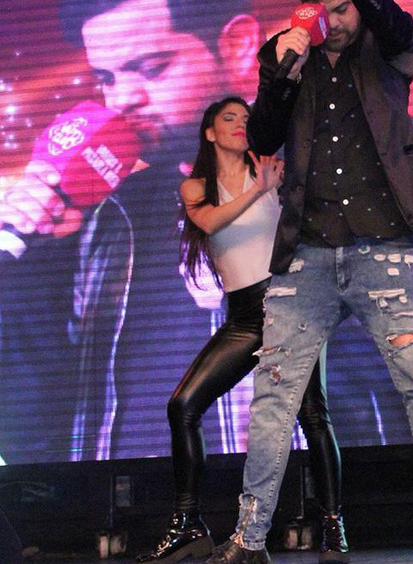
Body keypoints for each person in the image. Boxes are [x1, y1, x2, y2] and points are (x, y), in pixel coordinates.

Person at [0, 0, 413, 465]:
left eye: (151, 68)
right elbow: (30, 444)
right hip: (146, 516)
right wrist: (26, 286)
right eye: (106, 77)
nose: (121, 99)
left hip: (330, 509)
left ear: (239, 43)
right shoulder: (104, 213)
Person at [206, 0, 413, 564]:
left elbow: (400, 25)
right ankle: (248, 538)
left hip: (385, 247)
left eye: (343, 6)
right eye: (321, 9)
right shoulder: (287, 58)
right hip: (307, 253)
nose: (335, 20)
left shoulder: (386, 55)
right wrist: (280, 75)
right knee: (274, 395)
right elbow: (263, 135)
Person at [137, 98, 348, 563]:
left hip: (291, 304)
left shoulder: (274, 172)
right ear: (210, 132)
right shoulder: (197, 186)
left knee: (312, 414)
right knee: (183, 405)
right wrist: (258, 191)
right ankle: (188, 524)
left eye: (246, 119)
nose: (239, 125)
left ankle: (333, 527)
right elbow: (210, 220)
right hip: (244, 317)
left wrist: (274, 185)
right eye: (228, 119)